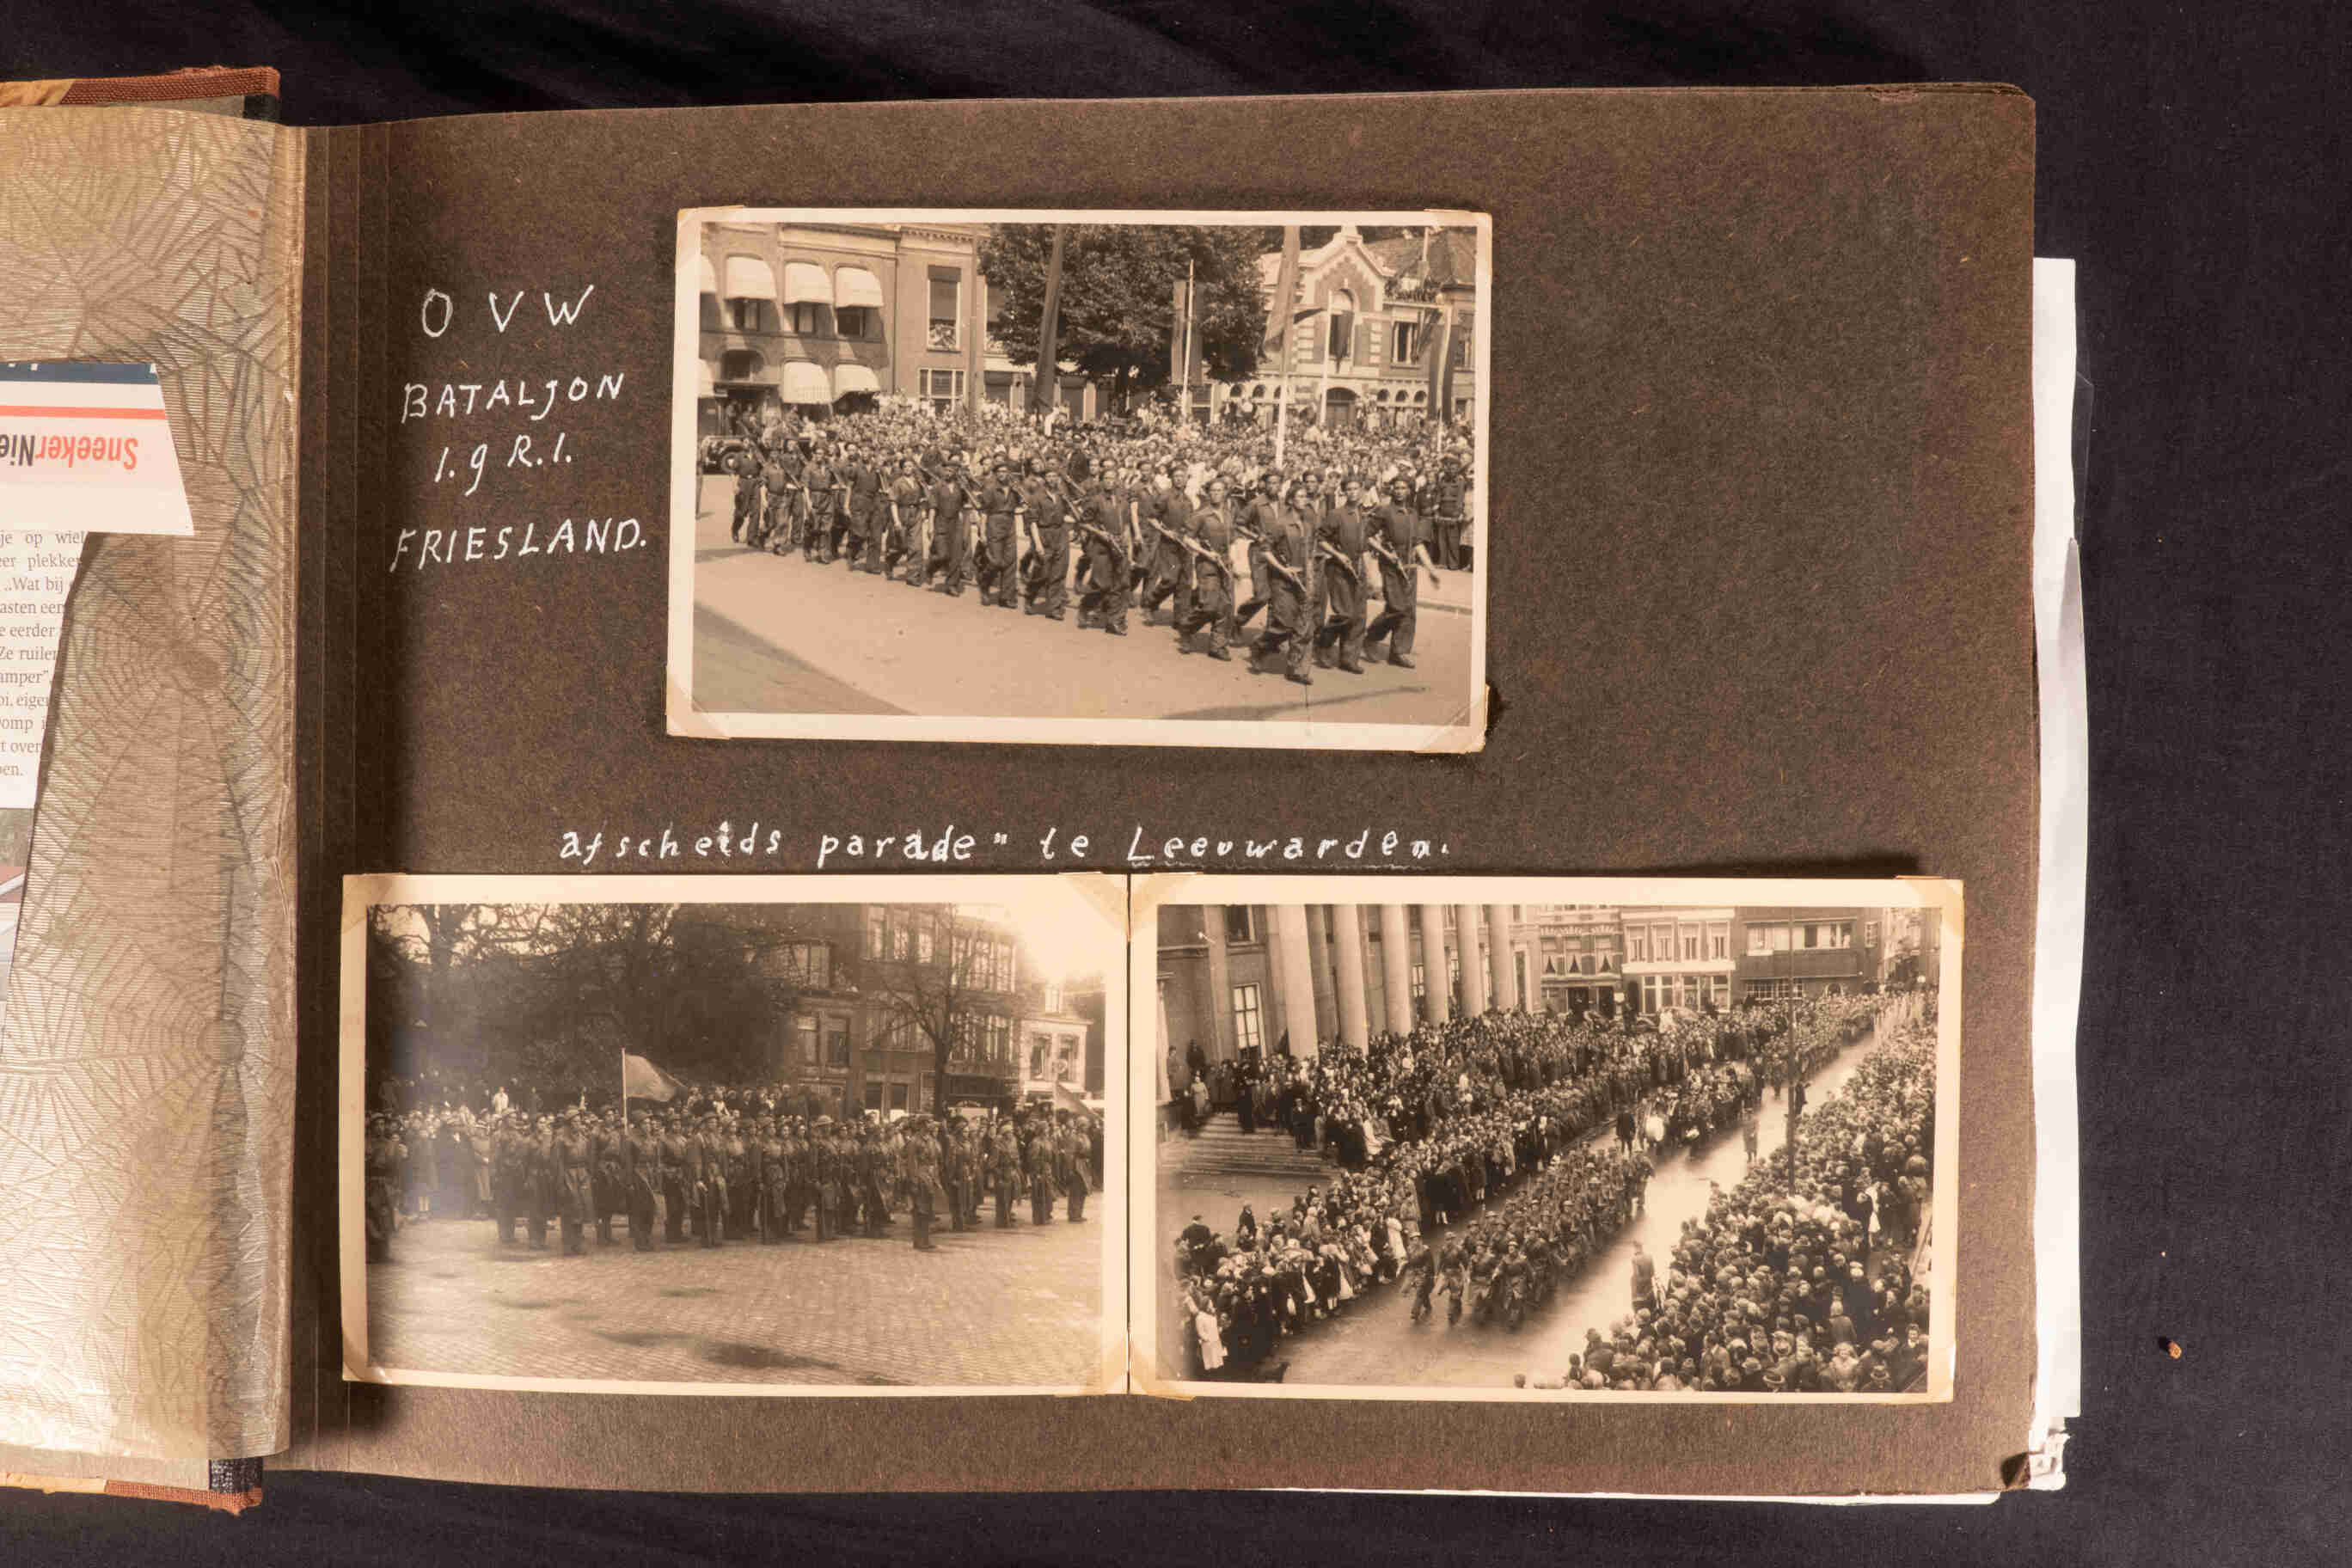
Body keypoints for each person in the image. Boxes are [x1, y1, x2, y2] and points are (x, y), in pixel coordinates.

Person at [1362, 475, 1437, 670]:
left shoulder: (1413, 513)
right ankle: (1371, 638)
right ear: (1391, 490)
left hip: (1410, 567)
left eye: (1404, 487)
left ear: (1410, 490)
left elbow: (1418, 543)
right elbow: (1366, 536)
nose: (1400, 491)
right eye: (1396, 487)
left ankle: (1399, 652)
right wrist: (1386, 553)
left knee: (1409, 611)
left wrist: (1430, 569)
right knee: (1396, 608)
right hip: (1391, 567)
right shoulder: (1384, 511)